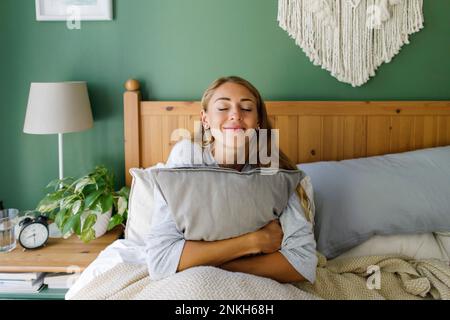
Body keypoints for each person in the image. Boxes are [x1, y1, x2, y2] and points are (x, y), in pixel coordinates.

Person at [145, 76, 317, 283]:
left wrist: (206, 259)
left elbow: (303, 264)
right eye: (223, 108)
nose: (235, 114)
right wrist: (253, 241)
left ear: (258, 121)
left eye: (246, 108)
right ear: (205, 119)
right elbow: (160, 261)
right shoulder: (186, 158)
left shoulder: (276, 171)